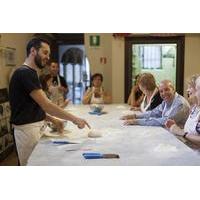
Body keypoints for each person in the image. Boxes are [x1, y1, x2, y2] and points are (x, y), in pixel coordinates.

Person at [9, 38, 90, 165]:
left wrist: (52, 119)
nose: (48, 57)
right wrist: (75, 119)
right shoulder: (25, 73)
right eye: (45, 52)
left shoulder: (30, 73)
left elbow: (31, 107)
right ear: (33, 51)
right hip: (27, 132)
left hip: (34, 128)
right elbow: (47, 105)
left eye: (49, 54)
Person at [121, 80, 190, 127]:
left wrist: (137, 121)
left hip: (181, 140)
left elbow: (164, 121)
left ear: (173, 89)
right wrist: (135, 116)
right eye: (161, 91)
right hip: (170, 133)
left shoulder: (180, 103)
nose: (164, 93)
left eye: (167, 89)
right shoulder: (166, 101)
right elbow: (154, 113)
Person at [165, 75, 200, 148]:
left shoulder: (181, 103)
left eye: (190, 87)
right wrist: (177, 128)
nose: (187, 90)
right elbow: (192, 132)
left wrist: (182, 132)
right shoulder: (194, 108)